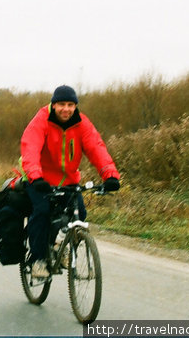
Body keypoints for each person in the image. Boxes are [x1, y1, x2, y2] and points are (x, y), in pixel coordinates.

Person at [20, 85, 120, 278]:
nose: (66, 109)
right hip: (39, 178)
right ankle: (37, 260)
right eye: (61, 105)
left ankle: (61, 248)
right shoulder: (42, 120)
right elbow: (30, 146)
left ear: (75, 106)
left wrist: (110, 175)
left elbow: (96, 148)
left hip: (69, 180)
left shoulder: (82, 124)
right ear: (53, 104)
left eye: (70, 105)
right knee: (41, 211)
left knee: (79, 213)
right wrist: (35, 176)